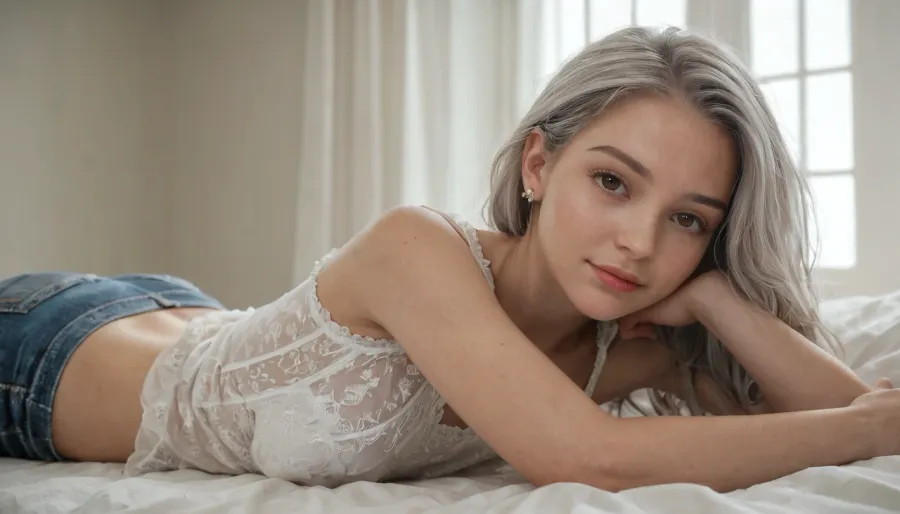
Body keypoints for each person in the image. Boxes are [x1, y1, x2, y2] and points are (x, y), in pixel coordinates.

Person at [1, 26, 898, 493]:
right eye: (613, 182)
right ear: (539, 165)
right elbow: (588, 457)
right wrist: (864, 429)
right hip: (49, 349)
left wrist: (715, 302)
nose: (640, 241)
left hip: (194, 315)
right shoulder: (415, 246)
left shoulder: (625, 348)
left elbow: (841, 412)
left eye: (688, 220)